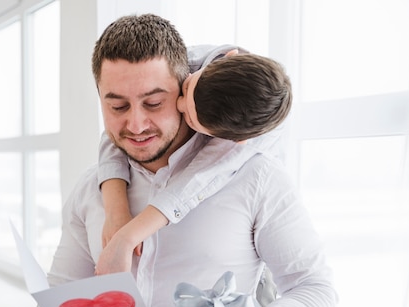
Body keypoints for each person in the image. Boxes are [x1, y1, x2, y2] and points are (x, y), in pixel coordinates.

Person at [0, 13, 337, 307]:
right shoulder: (95, 187)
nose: (136, 124)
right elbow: (62, 287)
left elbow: (315, 288)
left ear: (184, 89)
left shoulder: (256, 176)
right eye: (117, 105)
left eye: (153, 103)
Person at [96, 48, 292, 276]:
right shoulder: (183, 62)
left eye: (189, 118)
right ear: (230, 55)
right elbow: (115, 131)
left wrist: (129, 235)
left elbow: (195, 182)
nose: (178, 105)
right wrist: (116, 211)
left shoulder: (250, 148)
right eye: (186, 89)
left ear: (233, 141)